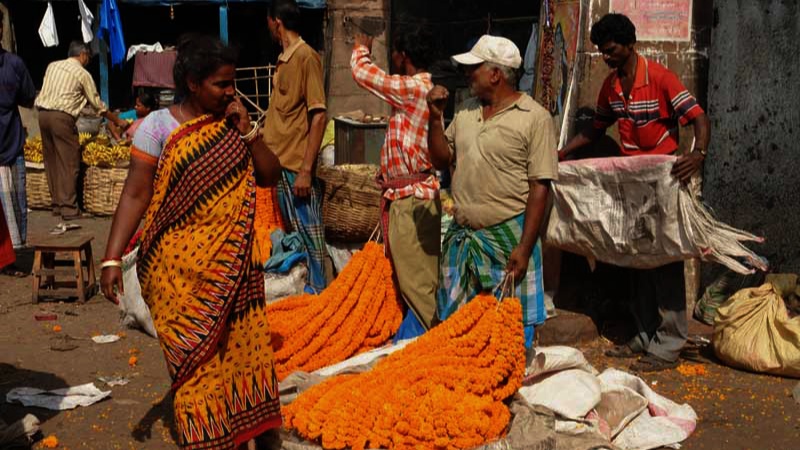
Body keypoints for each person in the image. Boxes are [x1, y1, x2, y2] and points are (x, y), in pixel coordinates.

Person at [100, 35, 282, 450]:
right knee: (194, 363)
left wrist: (249, 132)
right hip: (179, 278)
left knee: (243, 359)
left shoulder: (233, 123)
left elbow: (270, 175)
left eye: (233, 82)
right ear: (194, 84)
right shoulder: (157, 128)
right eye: (221, 84)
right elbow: (136, 195)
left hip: (236, 269)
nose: (231, 92)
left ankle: (253, 431)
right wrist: (112, 258)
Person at [559, 13, 711, 372]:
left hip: (663, 180)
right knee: (637, 260)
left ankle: (669, 344)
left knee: (666, 260)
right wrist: (562, 154)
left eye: (610, 49)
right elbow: (596, 129)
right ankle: (644, 333)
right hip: (631, 184)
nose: (605, 56)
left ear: (630, 44)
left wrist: (698, 154)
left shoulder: (660, 77)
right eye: (602, 51)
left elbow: (698, 118)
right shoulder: (611, 86)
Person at [427, 35, 558, 348]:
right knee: (460, 331)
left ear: (496, 74)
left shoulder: (535, 118)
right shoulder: (465, 112)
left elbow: (539, 188)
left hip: (509, 239)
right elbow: (441, 160)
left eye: (474, 68)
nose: (467, 74)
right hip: (465, 236)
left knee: (508, 332)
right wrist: (434, 117)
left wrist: (525, 248)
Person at [350, 27, 440, 334]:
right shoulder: (422, 89)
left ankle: (427, 339)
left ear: (403, 57)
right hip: (412, 195)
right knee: (417, 275)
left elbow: (364, 75)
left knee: (416, 281)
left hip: (410, 199)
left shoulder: (414, 88)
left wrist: (361, 48)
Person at [262, 0, 328, 292]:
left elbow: (319, 115)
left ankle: (319, 296)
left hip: (296, 169)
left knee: (311, 245)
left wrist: (306, 170)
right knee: (294, 242)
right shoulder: (284, 59)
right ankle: (304, 299)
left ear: (275, 21)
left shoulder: (306, 57)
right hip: (280, 166)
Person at [35, 41, 129, 220]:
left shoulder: (53, 66)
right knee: (69, 161)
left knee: (52, 160)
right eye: (89, 57)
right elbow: (97, 105)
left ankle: (57, 205)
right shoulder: (82, 73)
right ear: (83, 55)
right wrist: (117, 120)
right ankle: (69, 208)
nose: (88, 61)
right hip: (62, 118)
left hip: (43, 116)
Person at [0, 9, 35, 254]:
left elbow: (28, 97)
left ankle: (15, 253)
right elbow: (28, 98)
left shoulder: (14, 64)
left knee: (15, 202)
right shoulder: (13, 64)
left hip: (10, 145)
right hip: (11, 142)